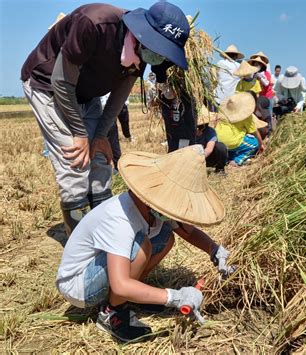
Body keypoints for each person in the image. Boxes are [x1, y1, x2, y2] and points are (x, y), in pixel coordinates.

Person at [21, 2, 190, 235]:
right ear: (143, 34)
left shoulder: (141, 52)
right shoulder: (95, 23)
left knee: (100, 160)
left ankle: (105, 234)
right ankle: (80, 250)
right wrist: (80, 133)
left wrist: (100, 136)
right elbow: (61, 81)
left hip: (86, 93)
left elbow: (119, 96)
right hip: (48, 86)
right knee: (76, 164)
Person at [56, 145, 234, 342]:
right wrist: (174, 297)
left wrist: (214, 250)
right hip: (80, 284)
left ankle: (136, 295)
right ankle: (111, 312)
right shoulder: (120, 219)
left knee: (166, 236)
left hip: (102, 271)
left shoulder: (153, 206)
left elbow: (187, 232)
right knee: (142, 246)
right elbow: (121, 284)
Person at [216, 92, 265, 166]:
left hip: (218, 141)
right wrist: (261, 144)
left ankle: (228, 158)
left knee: (236, 140)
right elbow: (255, 132)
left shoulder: (221, 113)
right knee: (254, 143)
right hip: (232, 142)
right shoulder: (246, 116)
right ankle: (237, 161)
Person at [196, 106, 228, 175]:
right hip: (190, 158)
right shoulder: (187, 132)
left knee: (220, 147)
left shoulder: (210, 131)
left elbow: (209, 149)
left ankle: (220, 169)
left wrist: (199, 159)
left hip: (206, 158)